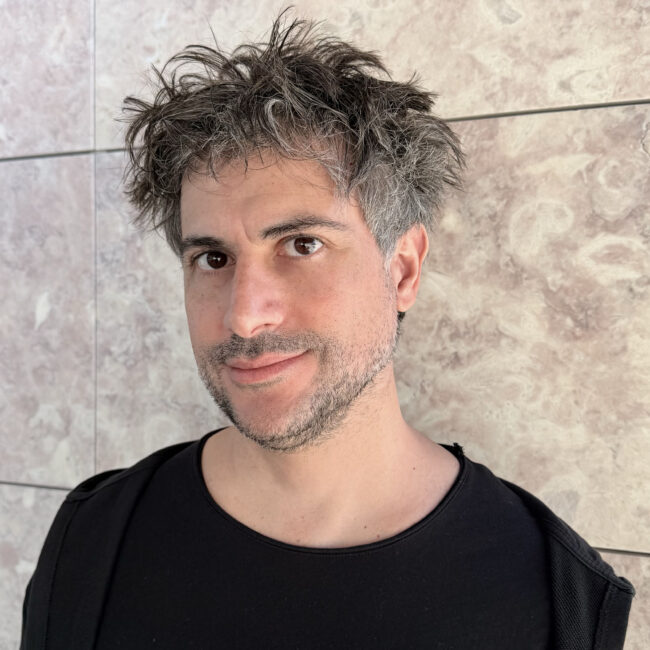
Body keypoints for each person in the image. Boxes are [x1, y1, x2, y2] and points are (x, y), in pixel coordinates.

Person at [21, 14, 634, 650]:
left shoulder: (558, 598)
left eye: (302, 244)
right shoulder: (94, 539)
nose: (243, 317)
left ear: (402, 269)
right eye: (213, 258)